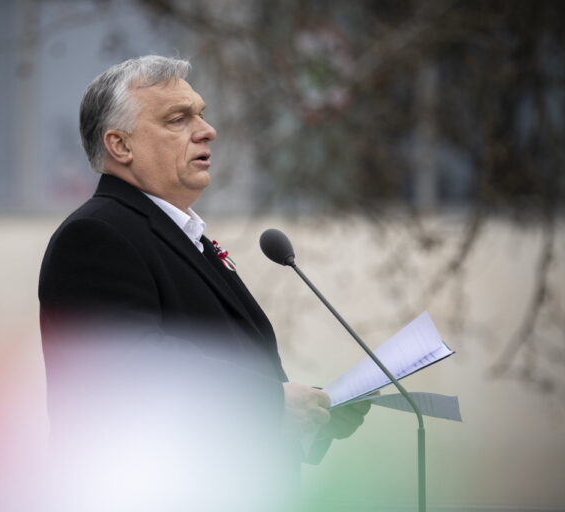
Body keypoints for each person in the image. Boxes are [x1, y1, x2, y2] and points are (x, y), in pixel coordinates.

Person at [38, 55, 370, 511]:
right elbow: (132, 372)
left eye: (200, 114)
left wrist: (308, 413)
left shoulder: (179, 234)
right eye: (178, 119)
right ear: (120, 145)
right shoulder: (97, 235)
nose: (207, 130)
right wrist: (269, 404)